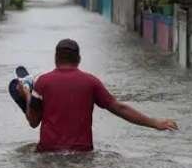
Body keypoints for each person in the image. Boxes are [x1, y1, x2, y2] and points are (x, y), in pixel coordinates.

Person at [21, 39, 178, 152]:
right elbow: (119, 108)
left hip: (48, 153)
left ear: (56, 58)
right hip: (82, 154)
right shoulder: (91, 82)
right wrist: (155, 123)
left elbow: (33, 121)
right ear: (79, 59)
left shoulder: (42, 83)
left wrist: (27, 94)